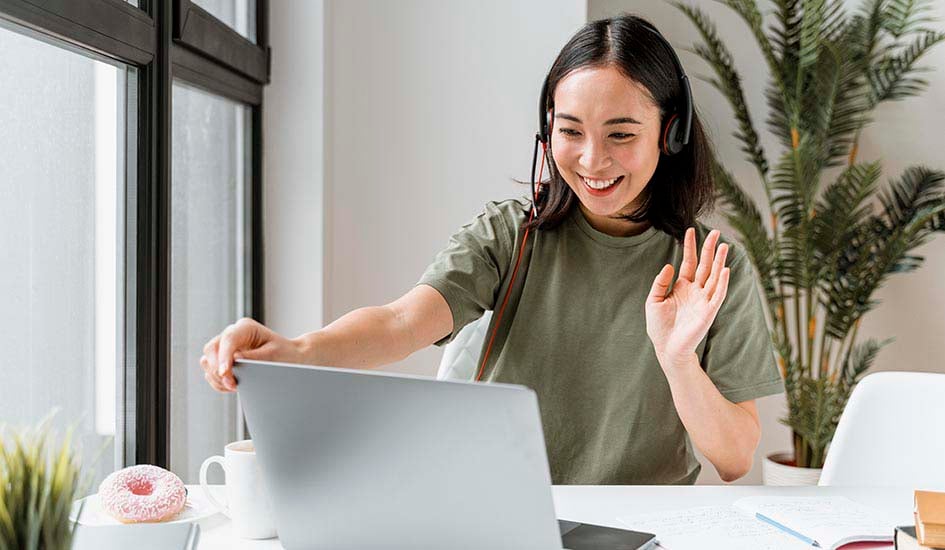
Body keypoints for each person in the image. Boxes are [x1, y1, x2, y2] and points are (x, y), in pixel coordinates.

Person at [199, 14, 783, 485]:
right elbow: (403, 321)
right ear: (547, 127)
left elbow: (733, 459)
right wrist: (294, 350)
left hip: (641, 529)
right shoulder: (511, 234)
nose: (591, 160)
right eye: (570, 131)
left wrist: (679, 360)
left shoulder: (708, 270)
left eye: (622, 135)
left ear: (670, 131)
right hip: (503, 510)